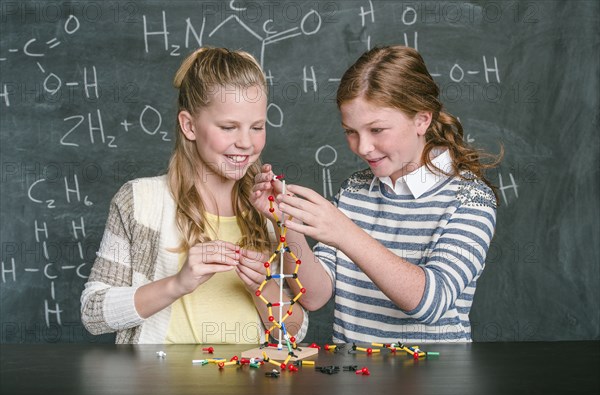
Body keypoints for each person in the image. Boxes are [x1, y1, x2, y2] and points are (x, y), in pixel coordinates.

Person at [252, 45, 500, 343]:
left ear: (422, 119)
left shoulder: (471, 198)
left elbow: (432, 302)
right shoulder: (354, 190)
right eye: (351, 132)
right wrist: (288, 224)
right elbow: (315, 296)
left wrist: (345, 233)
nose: (363, 147)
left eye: (377, 130)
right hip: (355, 380)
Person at [81, 47, 307, 344]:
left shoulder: (266, 209)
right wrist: (177, 283)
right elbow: (93, 313)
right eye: (228, 127)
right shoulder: (140, 201)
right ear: (189, 126)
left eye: (257, 127)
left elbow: (295, 332)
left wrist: (262, 288)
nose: (245, 143)